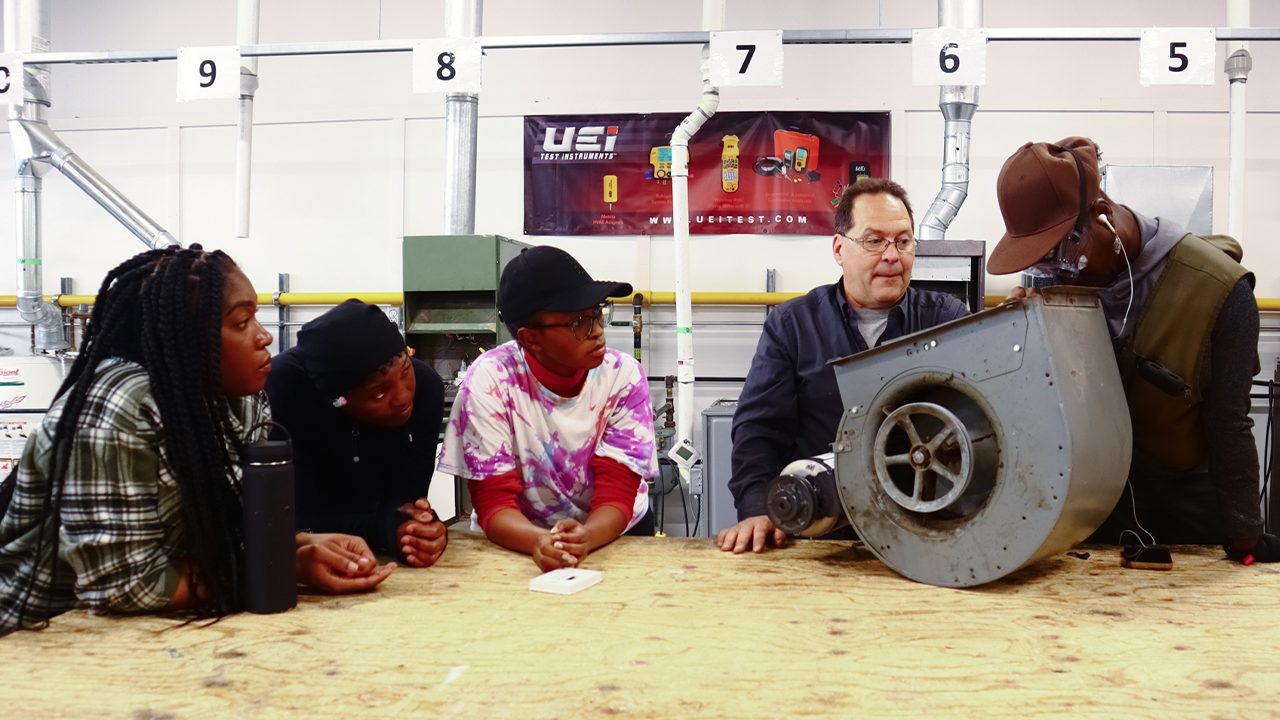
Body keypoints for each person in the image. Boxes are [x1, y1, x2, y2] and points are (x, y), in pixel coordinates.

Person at [0, 246, 394, 637]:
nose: (264, 338)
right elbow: (122, 584)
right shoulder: (118, 407)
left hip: (151, 635)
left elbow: (223, 533)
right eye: (241, 322)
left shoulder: (244, 401)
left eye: (256, 317)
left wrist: (299, 547)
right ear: (188, 339)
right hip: (38, 637)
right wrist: (279, 569)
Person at [989, 136, 1279, 564]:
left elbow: (1229, 423)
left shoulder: (1220, 291)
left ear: (1103, 218)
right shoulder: (1061, 288)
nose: (1053, 272)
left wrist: (1245, 534)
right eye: (1041, 261)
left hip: (1191, 498)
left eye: (1060, 255)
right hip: (1093, 497)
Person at [718, 178, 970, 554]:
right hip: (819, 537)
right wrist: (758, 509)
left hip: (925, 532)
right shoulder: (793, 326)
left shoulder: (947, 321)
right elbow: (758, 432)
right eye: (874, 241)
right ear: (839, 248)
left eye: (903, 241)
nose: (892, 255)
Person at [438, 246, 657, 572]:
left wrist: (585, 537)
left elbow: (618, 491)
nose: (598, 331)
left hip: (614, 534)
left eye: (598, 312)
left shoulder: (621, 376)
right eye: (579, 322)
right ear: (531, 340)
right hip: (515, 542)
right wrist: (538, 541)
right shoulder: (490, 380)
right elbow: (493, 501)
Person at [266, 299, 447, 569]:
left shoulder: (426, 389)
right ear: (338, 400)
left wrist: (417, 529)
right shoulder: (285, 390)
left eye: (406, 370)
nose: (403, 397)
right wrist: (383, 528)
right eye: (380, 391)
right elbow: (295, 518)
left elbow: (405, 495)